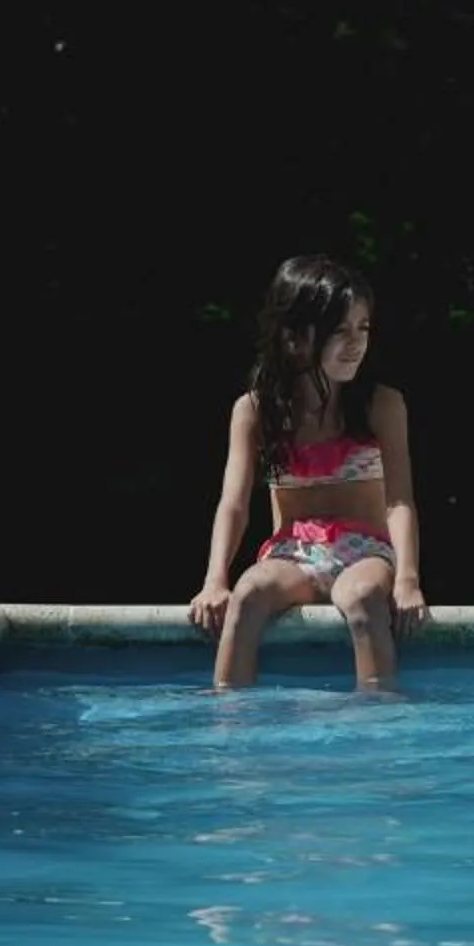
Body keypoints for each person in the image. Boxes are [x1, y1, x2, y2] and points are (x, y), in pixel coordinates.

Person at [187, 256, 429, 689]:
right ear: (295, 337)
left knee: (362, 599)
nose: (356, 342)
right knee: (247, 596)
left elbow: (399, 499)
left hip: (366, 550)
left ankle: (380, 725)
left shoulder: (382, 404)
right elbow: (234, 503)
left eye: (364, 328)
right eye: (340, 330)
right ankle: (226, 726)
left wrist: (408, 581)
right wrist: (214, 580)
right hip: (291, 553)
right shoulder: (256, 411)